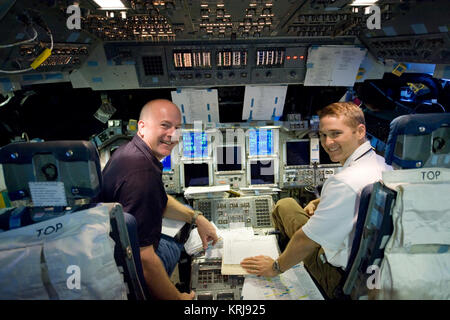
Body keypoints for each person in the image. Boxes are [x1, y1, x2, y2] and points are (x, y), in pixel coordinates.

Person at [241, 102, 392, 299]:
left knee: (284, 205)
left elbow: (306, 240)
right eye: (323, 135)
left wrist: (275, 267)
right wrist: (321, 202)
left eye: (336, 133)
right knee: (291, 207)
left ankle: (287, 259)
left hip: (343, 280)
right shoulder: (382, 164)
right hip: (374, 273)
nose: (328, 142)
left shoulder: (344, 182)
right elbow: (362, 197)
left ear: (360, 131)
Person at [99, 99, 219, 300]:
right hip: (124, 267)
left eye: (177, 128)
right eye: (164, 125)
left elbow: (161, 201)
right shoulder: (141, 173)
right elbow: (144, 259)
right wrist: (177, 298)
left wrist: (197, 218)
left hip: (113, 248)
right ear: (142, 127)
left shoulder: (132, 152)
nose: (173, 134)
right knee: (179, 240)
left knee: (184, 221)